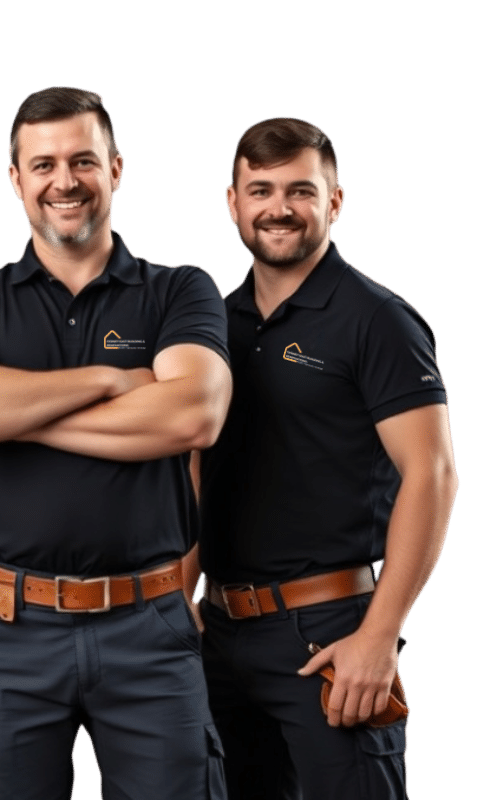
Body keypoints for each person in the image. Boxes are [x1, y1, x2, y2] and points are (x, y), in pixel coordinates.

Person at [0, 86, 232, 800]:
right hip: (7, 632)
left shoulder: (182, 290)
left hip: (151, 629)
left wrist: (14, 402)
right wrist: (116, 380)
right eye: (44, 164)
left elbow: (193, 417)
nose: (65, 181)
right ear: (15, 180)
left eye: (83, 161)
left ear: (116, 169)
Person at [196, 117, 459, 799]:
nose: (277, 208)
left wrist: (381, 635)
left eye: (300, 191)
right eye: (260, 190)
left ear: (334, 203)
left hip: (330, 636)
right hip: (217, 636)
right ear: (233, 203)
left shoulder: (376, 319)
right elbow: (189, 471)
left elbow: (433, 475)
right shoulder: (213, 324)